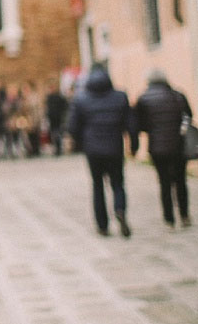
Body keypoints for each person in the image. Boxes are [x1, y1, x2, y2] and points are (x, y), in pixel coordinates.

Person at [66, 63, 137, 237]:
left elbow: (72, 127)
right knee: (118, 183)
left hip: (93, 151)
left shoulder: (81, 99)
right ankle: (120, 209)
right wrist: (134, 145)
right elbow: (131, 125)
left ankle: (102, 225)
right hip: (114, 148)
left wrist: (82, 142)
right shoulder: (120, 97)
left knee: (97, 185)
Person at [135, 68, 193, 228]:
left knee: (164, 182)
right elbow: (189, 115)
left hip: (157, 147)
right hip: (178, 146)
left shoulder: (143, 99)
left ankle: (169, 219)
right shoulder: (178, 95)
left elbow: (140, 124)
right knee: (181, 181)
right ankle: (184, 214)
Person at [45, 78, 68, 157]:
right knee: (53, 134)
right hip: (51, 119)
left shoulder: (59, 97)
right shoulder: (49, 97)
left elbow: (64, 107)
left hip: (58, 118)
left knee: (58, 133)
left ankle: (58, 148)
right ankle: (56, 148)